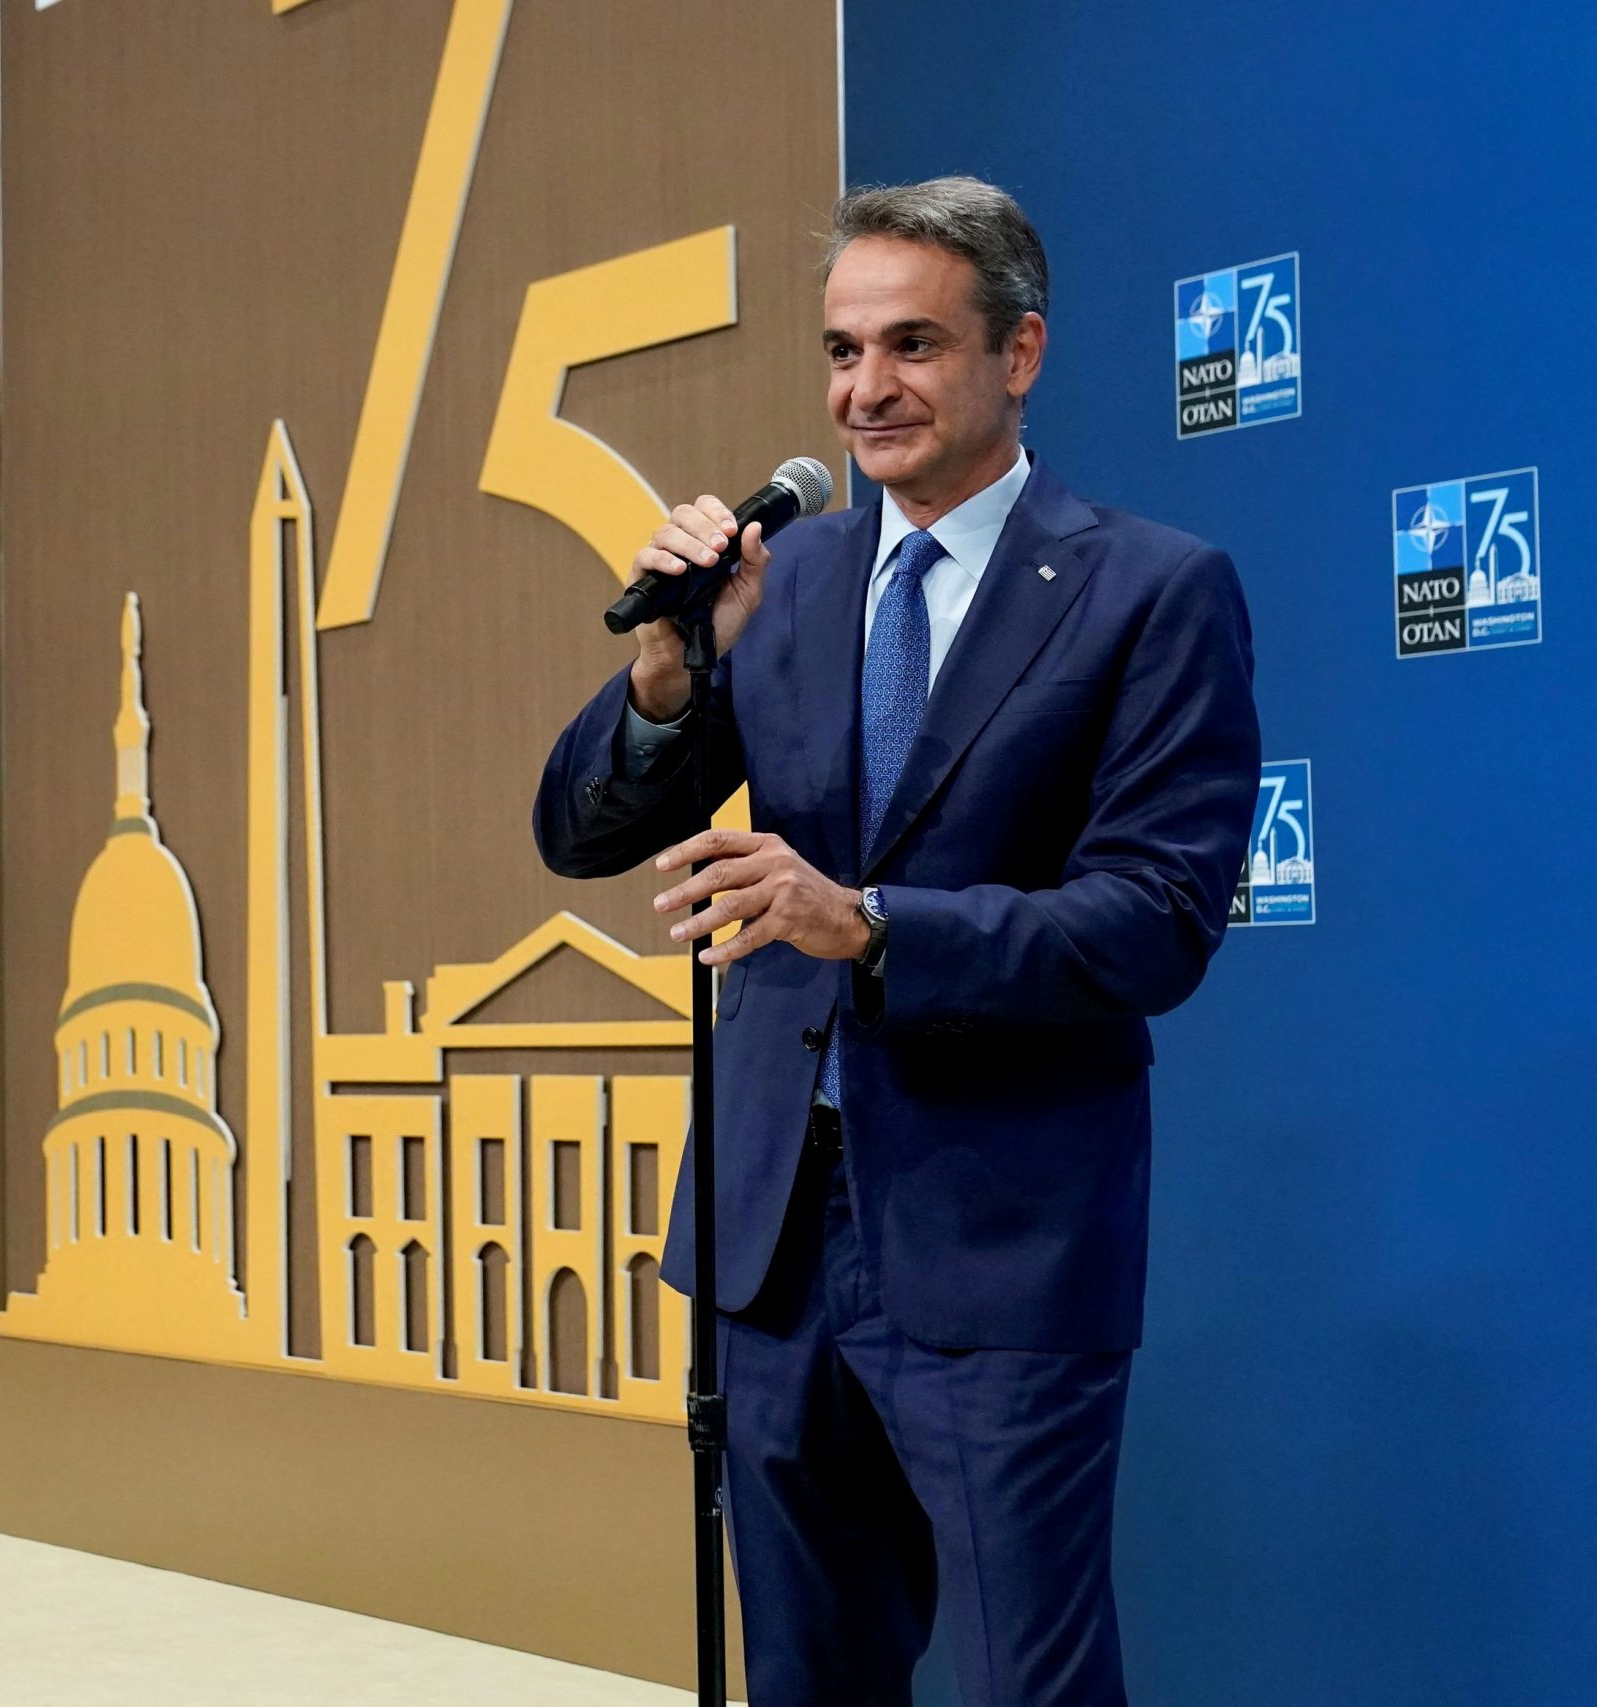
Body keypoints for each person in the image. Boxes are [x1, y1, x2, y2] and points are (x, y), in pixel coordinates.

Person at [532, 178, 1259, 1707]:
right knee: (807, 1674)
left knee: (1023, 1682)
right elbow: (580, 830)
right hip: (774, 1237)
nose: (867, 388)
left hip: (999, 1241)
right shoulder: (778, 583)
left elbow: (1157, 919)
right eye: (843, 349)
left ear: (1020, 352)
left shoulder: (1150, 588)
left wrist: (868, 922)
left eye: (913, 344)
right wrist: (665, 671)